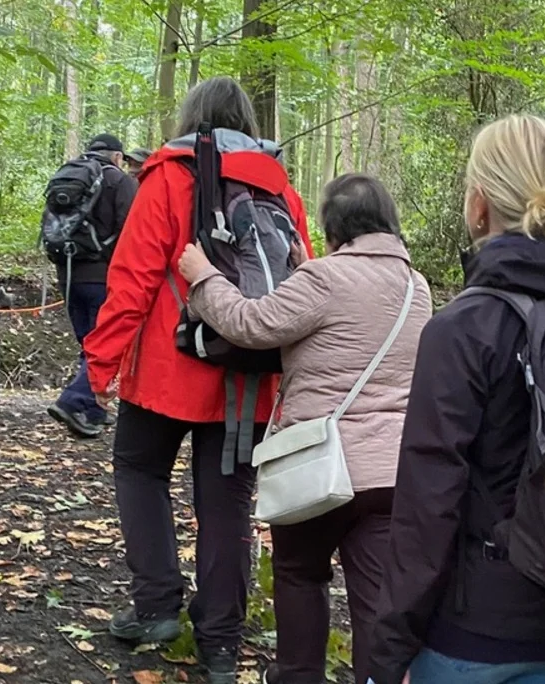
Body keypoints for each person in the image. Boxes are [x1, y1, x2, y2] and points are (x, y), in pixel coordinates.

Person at [368, 115, 545, 684]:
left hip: (469, 632)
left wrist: (386, 655)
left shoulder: (463, 328)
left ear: (478, 204)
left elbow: (426, 507)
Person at [83, 76, 313, 684]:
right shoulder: (279, 188)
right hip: (247, 370)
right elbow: (302, 280)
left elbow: (131, 279)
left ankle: (157, 605)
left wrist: (98, 366)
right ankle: (220, 645)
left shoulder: (165, 176)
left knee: (138, 468)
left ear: (191, 118)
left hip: (168, 368)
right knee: (227, 502)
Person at [177, 173, 432, 684]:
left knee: (299, 574)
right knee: (376, 602)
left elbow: (252, 323)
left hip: (318, 465)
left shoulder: (321, 280)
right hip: (390, 472)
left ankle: (298, 676)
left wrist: (204, 276)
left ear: (333, 226)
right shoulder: (416, 285)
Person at [46, 133, 138, 438]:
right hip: (102, 276)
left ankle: (95, 410)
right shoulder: (119, 181)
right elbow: (132, 230)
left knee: (89, 342)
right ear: (116, 156)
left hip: (67, 272)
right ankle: (74, 401)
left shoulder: (68, 175)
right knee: (104, 344)